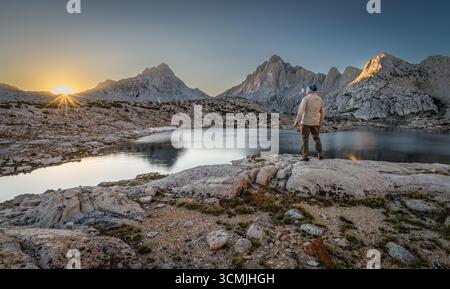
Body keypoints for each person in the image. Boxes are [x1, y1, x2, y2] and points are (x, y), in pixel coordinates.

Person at [293, 84, 325, 161]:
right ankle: (320, 154)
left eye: (307, 89)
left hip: (305, 123)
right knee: (317, 138)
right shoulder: (320, 99)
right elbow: (323, 113)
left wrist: (297, 120)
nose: (306, 91)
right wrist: (320, 122)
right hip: (316, 122)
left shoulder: (306, 99)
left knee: (305, 139)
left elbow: (301, 111)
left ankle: (305, 156)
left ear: (309, 90)